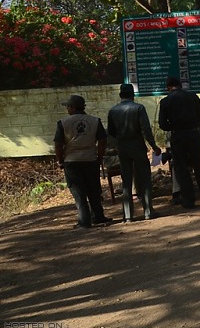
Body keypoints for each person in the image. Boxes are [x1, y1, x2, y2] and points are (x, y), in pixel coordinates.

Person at [54, 95, 113, 229]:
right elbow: (103, 141)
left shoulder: (63, 123)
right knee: (93, 189)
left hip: (72, 161)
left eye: (68, 106)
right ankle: (98, 216)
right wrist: (99, 156)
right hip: (90, 159)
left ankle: (84, 221)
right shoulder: (94, 121)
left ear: (73, 107)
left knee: (78, 192)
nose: (67, 109)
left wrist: (60, 161)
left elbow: (58, 145)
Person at [107, 83, 162, 222]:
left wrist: (117, 144)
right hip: (137, 145)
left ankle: (128, 215)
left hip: (123, 147)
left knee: (126, 181)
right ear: (133, 95)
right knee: (144, 178)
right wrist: (154, 145)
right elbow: (146, 130)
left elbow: (111, 132)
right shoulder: (139, 108)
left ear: (120, 95)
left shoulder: (113, 111)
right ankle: (148, 211)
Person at [158, 76, 200, 208]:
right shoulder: (193, 96)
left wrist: (174, 126)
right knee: (199, 166)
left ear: (168, 88)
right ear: (181, 85)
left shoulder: (165, 102)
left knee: (181, 168)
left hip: (178, 136)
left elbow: (163, 124)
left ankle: (188, 200)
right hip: (194, 134)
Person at [167, 122, 200, 205]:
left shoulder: (172, 118)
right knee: (176, 164)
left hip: (190, 146)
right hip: (188, 146)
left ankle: (184, 195)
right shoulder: (194, 117)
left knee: (179, 165)